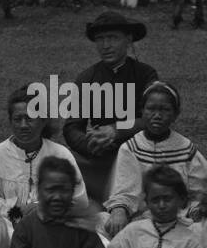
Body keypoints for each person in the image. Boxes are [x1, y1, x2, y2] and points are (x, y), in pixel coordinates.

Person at [61, 12, 160, 203]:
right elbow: (72, 127)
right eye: (100, 39)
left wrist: (116, 130)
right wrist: (91, 144)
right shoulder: (87, 78)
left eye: (112, 38)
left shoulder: (145, 75)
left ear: (128, 40)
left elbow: (154, 117)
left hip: (140, 152)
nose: (105, 46)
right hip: (101, 157)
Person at [104, 81, 207, 236]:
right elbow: (124, 190)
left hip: (180, 220)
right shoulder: (131, 148)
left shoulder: (185, 148)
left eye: (165, 110)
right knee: (100, 221)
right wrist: (119, 211)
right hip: (140, 221)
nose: (157, 115)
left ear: (175, 114)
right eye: (151, 109)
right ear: (142, 111)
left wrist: (197, 209)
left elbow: (205, 189)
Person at [0, 85, 89, 228]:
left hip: (53, 226)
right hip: (9, 228)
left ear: (43, 121)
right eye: (17, 119)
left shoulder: (60, 155)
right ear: (10, 121)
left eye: (30, 118)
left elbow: (79, 200)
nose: (23, 125)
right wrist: (17, 212)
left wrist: (43, 208)